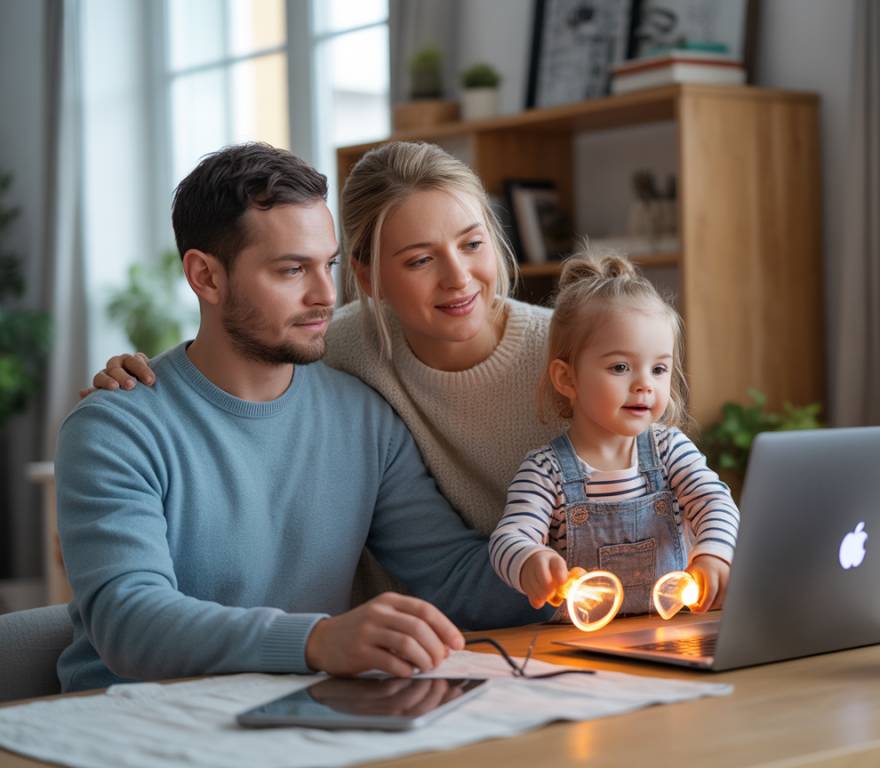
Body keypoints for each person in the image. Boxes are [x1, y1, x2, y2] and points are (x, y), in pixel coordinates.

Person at [56, 143, 542, 693]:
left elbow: (452, 577)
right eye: (291, 270)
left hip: (300, 709)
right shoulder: (117, 429)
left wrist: (587, 566)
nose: (325, 296)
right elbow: (129, 622)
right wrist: (318, 641)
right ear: (206, 277)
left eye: (328, 265)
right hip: (126, 722)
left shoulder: (363, 416)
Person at [489, 254, 740, 616]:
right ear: (568, 379)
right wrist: (530, 561)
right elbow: (508, 538)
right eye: (620, 367)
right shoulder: (545, 471)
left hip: (672, 633)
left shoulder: (670, 450)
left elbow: (715, 503)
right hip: (583, 651)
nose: (644, 385)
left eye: (658, 369)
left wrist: (713, 555)